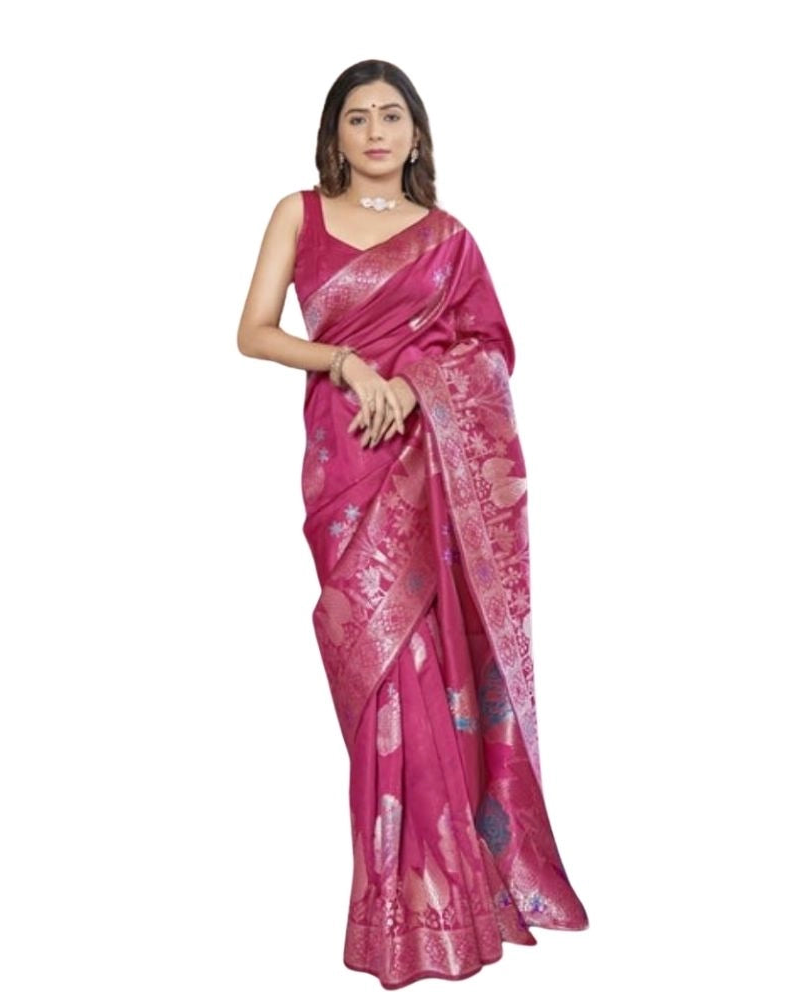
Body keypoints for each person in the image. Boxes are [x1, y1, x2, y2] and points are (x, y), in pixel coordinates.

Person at [236, 58, 589, 990]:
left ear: (418, 134)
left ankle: (447, 898)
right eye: (357, 118)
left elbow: (487, 352)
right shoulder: (299, 215)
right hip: (347, 463)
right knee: (381, 673)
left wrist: (418, 387)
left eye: (391, 116)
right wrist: (349, 365)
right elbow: (254, 331)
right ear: (334, 135)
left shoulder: (449, 240)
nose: (376, 132)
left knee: (433, 674)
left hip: (430, 476)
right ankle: (401, 903)